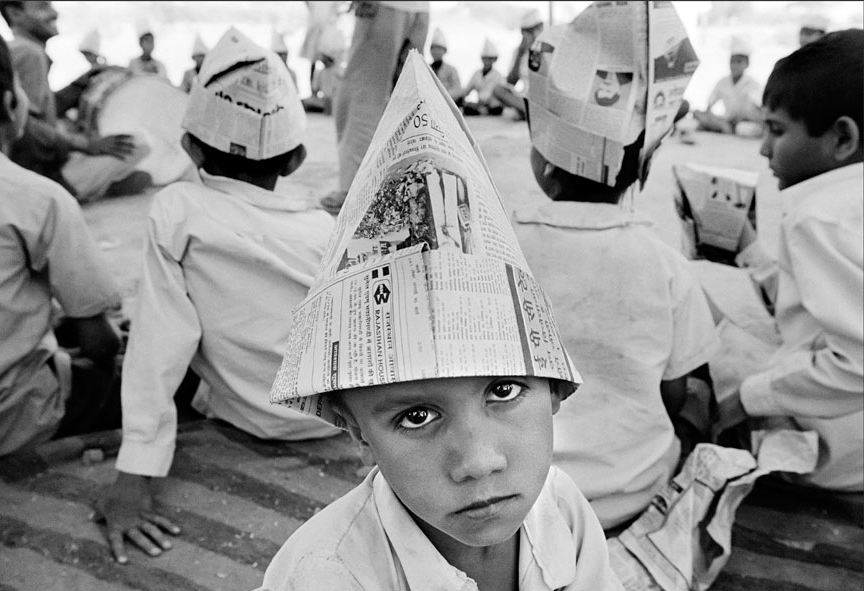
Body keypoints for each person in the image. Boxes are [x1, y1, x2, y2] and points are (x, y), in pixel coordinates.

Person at [256, 51, 623, 591]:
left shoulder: (561, 506)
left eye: (503, 388)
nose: (477, 463)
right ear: (356, 429)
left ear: (556, 390)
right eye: (417, 416)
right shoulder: (326, 576)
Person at [97, 27, 340, 564]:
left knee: (144, 333)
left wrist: (133, 478)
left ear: (186, 146)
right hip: (331, 420)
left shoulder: (179, 211)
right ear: (297, 158)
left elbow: (162, 343)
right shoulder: (327, 231)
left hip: (244, 415)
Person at [514, 7, 719, 530]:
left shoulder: (497, 248)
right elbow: (676, 394)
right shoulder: (668, 267)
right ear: (646, 162)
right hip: (631, 492)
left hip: (516, 500)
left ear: (541, 155)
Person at [719, 29, 863, 493]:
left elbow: (859, 364)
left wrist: (746, 398)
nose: (764, 149)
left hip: (836, 452)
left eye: (777, 131)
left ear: (841, 138)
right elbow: (821, 310)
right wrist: (750, 252)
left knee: (709, 349)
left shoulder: (818, 218)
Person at [0, 29, 123, 457]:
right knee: (159, 370)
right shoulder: (36, 198)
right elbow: (100, 345)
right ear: (13, 104)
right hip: (11, 418)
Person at [0, 0, 151, 202]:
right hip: (43, 172)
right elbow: (26, 125)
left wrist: (80, 85)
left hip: (37, 165)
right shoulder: (29, 53)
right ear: (15, 14)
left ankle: (97, 184)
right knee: (140, 142)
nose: (54, 12)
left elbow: (39, 110)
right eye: (43, 6)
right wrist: (84, 144)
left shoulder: (18, 49)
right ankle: (73, 192)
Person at [319, 0, 429, 214]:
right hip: (418, 9)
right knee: (406, 90)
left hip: (385, 7)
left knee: (362, 95)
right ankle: (402, 185)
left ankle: (355, 189)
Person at [693, 36, 763, 136]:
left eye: (739, 62)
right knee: (697, 113)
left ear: (747, 64)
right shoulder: (723, 82)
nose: (734, 65)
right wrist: (709, 116)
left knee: (742, 129)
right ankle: (720, 127)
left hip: (746, 122)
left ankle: (720, 128)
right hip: (728, 119)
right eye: (732, 61)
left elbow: (761, 107)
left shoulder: (753, 84)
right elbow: (709, 104)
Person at [492, 8, 543, 121]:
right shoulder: (519, 51)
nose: (526, 35)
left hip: (544, 100)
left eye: (530, 31)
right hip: (525, 99)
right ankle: (529, 112)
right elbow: (511, 81)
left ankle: (529, 113)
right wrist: (520, 54)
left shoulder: (549, 48)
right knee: (498, 89)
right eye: (524, 32)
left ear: (540, 27)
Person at [301, 27, 345, 114]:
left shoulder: (340, 72)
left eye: (325, 57)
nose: (322, 59)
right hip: (324, 103)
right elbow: (315, 91)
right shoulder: (321, 73)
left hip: (338, 104)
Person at [461, 39, 504, 116]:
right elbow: (467, 90)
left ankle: (482, 111)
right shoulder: (476, 74)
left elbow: (496, 95)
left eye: (490, 59)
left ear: (494, 60)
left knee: (495, 108)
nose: (487, 61)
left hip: (493, 106)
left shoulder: (498, 76)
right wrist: (460, 99)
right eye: (485, 58)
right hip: (479, 105)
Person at [428, 28, 463, 106]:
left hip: (448, 105)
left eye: (439, 49)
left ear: (444, 51)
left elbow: (457, 90)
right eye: (434, 48)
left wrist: (442, 97)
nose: (436, 51)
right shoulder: (425, 69)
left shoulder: (452, 70)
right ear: (430, 51)